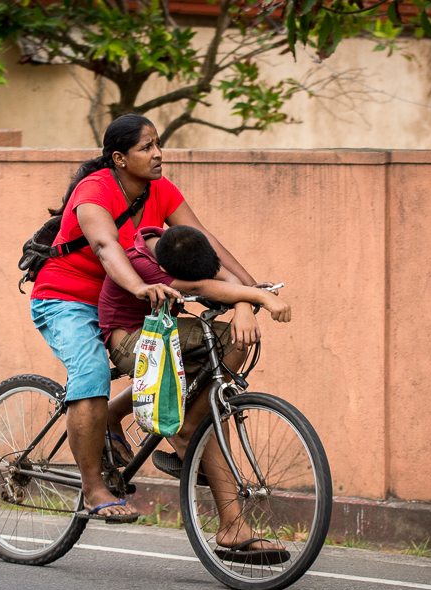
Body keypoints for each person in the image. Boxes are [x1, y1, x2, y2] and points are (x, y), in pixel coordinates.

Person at [29, 114, 264, 523]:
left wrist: (250, 292)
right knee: (90, 376)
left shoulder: (161, 190)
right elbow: (105, 247)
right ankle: (92, 488)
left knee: (206, 356)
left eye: (158, 144)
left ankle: (148, 424)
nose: (157, 154)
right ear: (119, 158)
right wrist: (138, 286)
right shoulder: (94, 190)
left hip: (125, 302)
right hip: (66, 298)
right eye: (146, 147)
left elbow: (204, 245)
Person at [98, 224, 291, 560]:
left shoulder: (181, 245)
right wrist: (259, 297)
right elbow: (205, 286)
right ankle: (190, 426)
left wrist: (243, 306)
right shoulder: (142, 262)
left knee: (212, 395)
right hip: (131, 341)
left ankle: (174, 419)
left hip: (164, 333)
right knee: (228, 339)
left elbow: (222, 277)